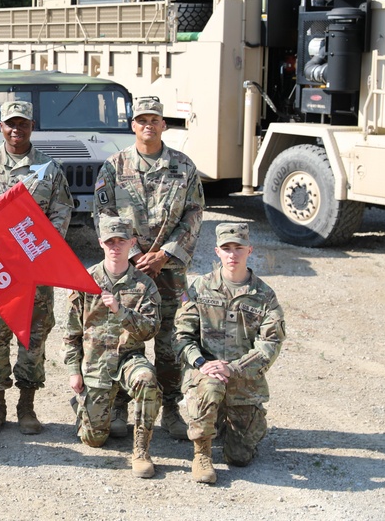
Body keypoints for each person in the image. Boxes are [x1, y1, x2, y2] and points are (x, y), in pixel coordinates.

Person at [93, 95, 204, 439]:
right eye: (142, 119)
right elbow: (103, 214)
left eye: (154, 119)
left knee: (171, 340)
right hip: (128, 272)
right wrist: (132, 253)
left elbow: (194, 213)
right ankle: (120, 407)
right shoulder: (114, 167)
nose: (148, 125)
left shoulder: (184, 167)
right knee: (126, 338)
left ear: (163, 125)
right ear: (133, 125)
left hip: (169, 271)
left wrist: (164, 255)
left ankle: (172, 408)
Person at [0, 99, 73, 434]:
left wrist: (37, 252)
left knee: (32, 340)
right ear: (0, 127)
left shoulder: (49, 169)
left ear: (31, 127)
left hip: (34, 272)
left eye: (22, 123)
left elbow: (61, 213)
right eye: (10, 123)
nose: (16, 129)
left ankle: (27, 406)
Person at [174, 223, 285, 484]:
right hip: (206, 373)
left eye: (239, 248)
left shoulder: (264, 296)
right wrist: (202, 363)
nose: (232, 254)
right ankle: (202, 455)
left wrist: (232, 368)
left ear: (250, 250)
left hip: (243, 380)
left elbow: (270, 344)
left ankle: (226, 423)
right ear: (217, 251)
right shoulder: (200, 288)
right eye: (226, 248)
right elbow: (181, 336)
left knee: (240, 457)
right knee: (211, 387)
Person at [63, 217, 162, 478]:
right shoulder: (85, 281)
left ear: (132, 243)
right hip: (96, 365)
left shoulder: (144, 285)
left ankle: (141, 451)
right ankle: (85, 406)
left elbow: (150, 330)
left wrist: (121, 311)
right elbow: (71, 333)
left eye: (121, 242)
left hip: (129, 359)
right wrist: (74, 371)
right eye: (110, 242)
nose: (115, 247)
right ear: (100, 244)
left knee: (147, 379)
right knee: (94, 440)